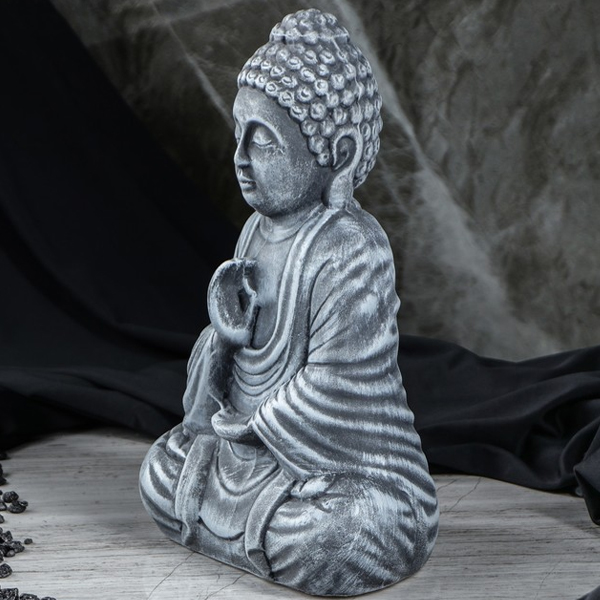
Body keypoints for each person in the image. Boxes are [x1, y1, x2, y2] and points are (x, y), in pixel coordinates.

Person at [140, 9, 438, 596]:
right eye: (239, 133)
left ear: (339, 157)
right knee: (161, 469)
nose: (240, 157)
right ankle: (238, 523)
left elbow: (340, 383)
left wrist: (252, 423)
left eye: (264, 141)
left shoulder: (353, 246)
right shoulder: (254, 232)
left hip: (340, 465)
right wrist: (224, 341)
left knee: (342, 532)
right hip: (250, 456)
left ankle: (264, 531)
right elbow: (232, 376)